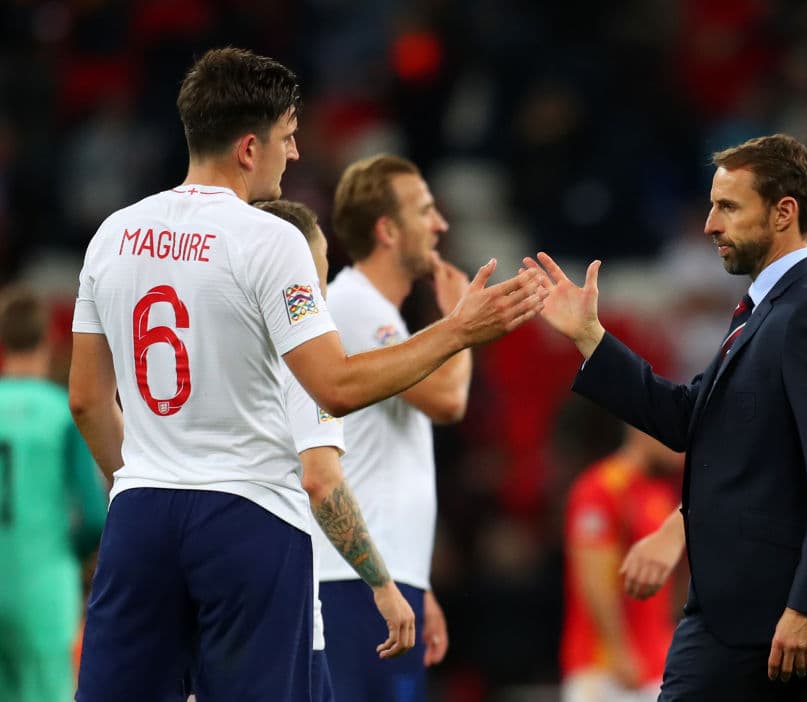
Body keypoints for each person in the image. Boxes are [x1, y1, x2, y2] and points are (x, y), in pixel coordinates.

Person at [68, 47, 545, 702]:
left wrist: (149, 476)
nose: (293, 156)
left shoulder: (112, 235)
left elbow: (88, 401)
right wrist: (459, 330)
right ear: (247, 147)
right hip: (248, 516)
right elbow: (336, 385)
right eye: (287, 140)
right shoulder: (271, 239)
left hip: (140, 514)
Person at [527, 133, 807, 701]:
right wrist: (592, 338)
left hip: (777, 621)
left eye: (729, 207)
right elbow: (690, 419)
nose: (711, 225)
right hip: (739, 617)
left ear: (784, 212)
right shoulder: (765, 310)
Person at [313, 154, 468, 700]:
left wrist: (418, 584)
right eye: (425, 211)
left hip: (381, 579)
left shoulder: (381, 313)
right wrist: (461, 323)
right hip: (350, 583)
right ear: (387, 229)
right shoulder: (352, 304)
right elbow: (448, 400)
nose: (440, 225)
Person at [254, 198, 416, 701]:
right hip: (275, 600)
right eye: (319, 275)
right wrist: (383, 586)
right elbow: (321, 480)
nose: (321, 294)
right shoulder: (303, 365)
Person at [0, 286, 108, 702]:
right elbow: (94, 515)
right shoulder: (61, 412)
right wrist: (72, 554)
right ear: (49, 339)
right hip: (40, 584)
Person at [561, 423, 683, 702]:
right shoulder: (600, 487)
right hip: (605, 668)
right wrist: (618, 649)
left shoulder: (660, 494)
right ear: (644, 429)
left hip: (656, 664)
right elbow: (592, 578)